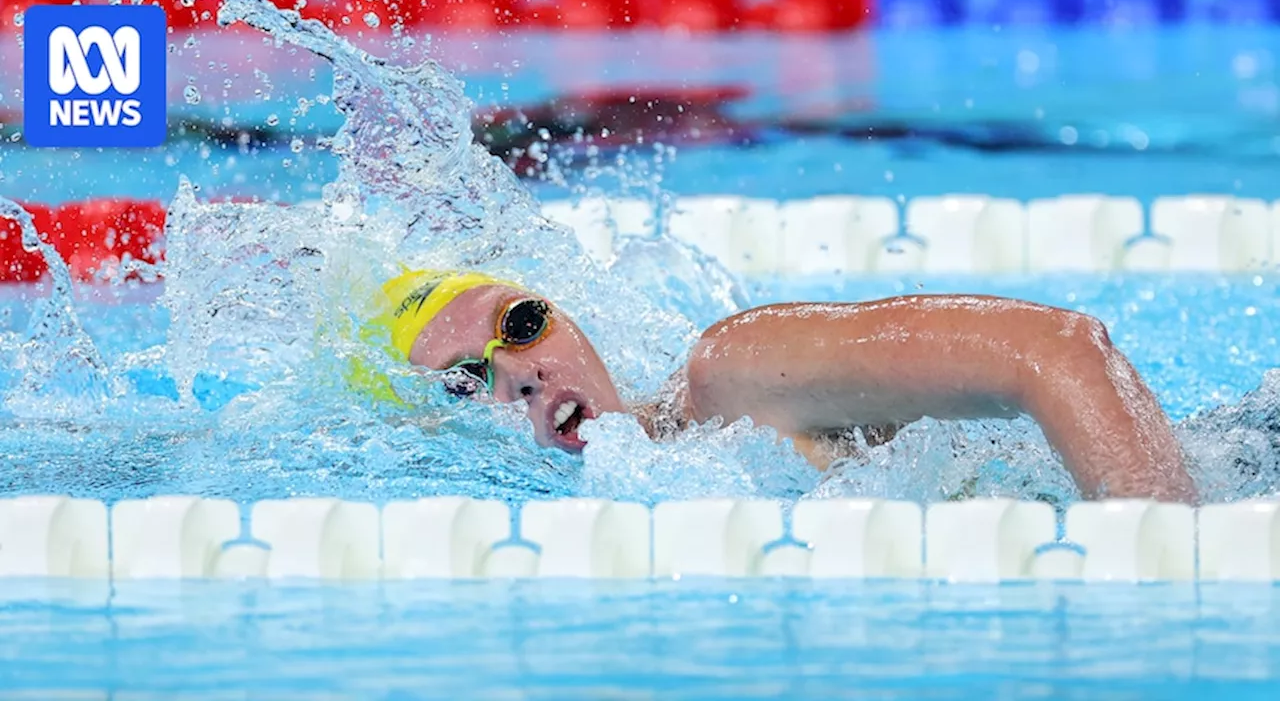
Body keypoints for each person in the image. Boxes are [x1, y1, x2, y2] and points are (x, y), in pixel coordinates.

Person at [351, 268, 1200, 504]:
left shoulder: (738, 374)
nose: (522, 371)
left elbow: (1060, 349)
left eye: (523, 322)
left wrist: (1168, 555)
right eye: (467, 383)